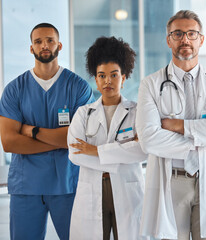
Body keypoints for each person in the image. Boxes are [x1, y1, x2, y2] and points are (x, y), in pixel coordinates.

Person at [136, 10, 206, 240]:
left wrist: (177, 125)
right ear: (168, 40)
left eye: (192, 34)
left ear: (201, 39)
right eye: (178, 34)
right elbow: (149, 139)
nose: (185, 39)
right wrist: (205, 132)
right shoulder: (151, 85)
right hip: (172, 180)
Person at [0, 23, 93, 240]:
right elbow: (9, 142)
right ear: (30, 48)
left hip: (67, 185)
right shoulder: (15, 89)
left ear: (59, 45)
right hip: (26, 188)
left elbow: (80, 137)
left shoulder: (78, 87)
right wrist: (61, 140)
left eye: (50, 40)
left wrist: (31, 131)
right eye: (38, 41)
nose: (44, 45)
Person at [67, 36, 148, 240]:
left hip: (127, 189)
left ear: (124, 76)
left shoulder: (138, 112)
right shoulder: (83, 114)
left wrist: (95, 151)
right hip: (93, 190)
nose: (107, 81)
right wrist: (121, 154)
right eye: (101, 75)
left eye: (114, 75)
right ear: (95, 79)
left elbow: (142, 151)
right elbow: (75, 154)